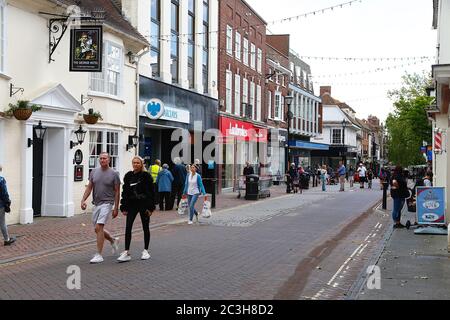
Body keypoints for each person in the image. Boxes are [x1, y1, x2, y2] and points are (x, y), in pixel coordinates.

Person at [81, 153, 121, 264]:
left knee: (99, 227)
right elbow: (89, 187)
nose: (102, 160)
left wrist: (116, 208)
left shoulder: (114, 174)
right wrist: (83, 200)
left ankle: (99, 255)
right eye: (101, 158)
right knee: (97, 229)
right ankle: (113, 240)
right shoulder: (94, 172)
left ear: (109, 160)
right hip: (96, 204)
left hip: (107, 203)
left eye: (105, 158)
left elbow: (117, 191)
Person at [118, 156, 155, 262]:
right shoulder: (129, 176)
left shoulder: (146, 176)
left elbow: (151, 193)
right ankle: (126, 251)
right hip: (132, 205)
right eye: (134, 163)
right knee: (128, 227)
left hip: (144, 204)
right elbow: (125, 192)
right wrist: (124, 206)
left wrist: (150, 208)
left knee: (145, 227)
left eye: (138, 163)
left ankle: (146, 250)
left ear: (141, 164)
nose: (135, 165)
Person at [0, 166, 16, 246]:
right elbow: (4, 193)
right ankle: (7, 240)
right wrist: (7, 201)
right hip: (0, 205)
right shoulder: (1, 180)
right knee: (2, 222)